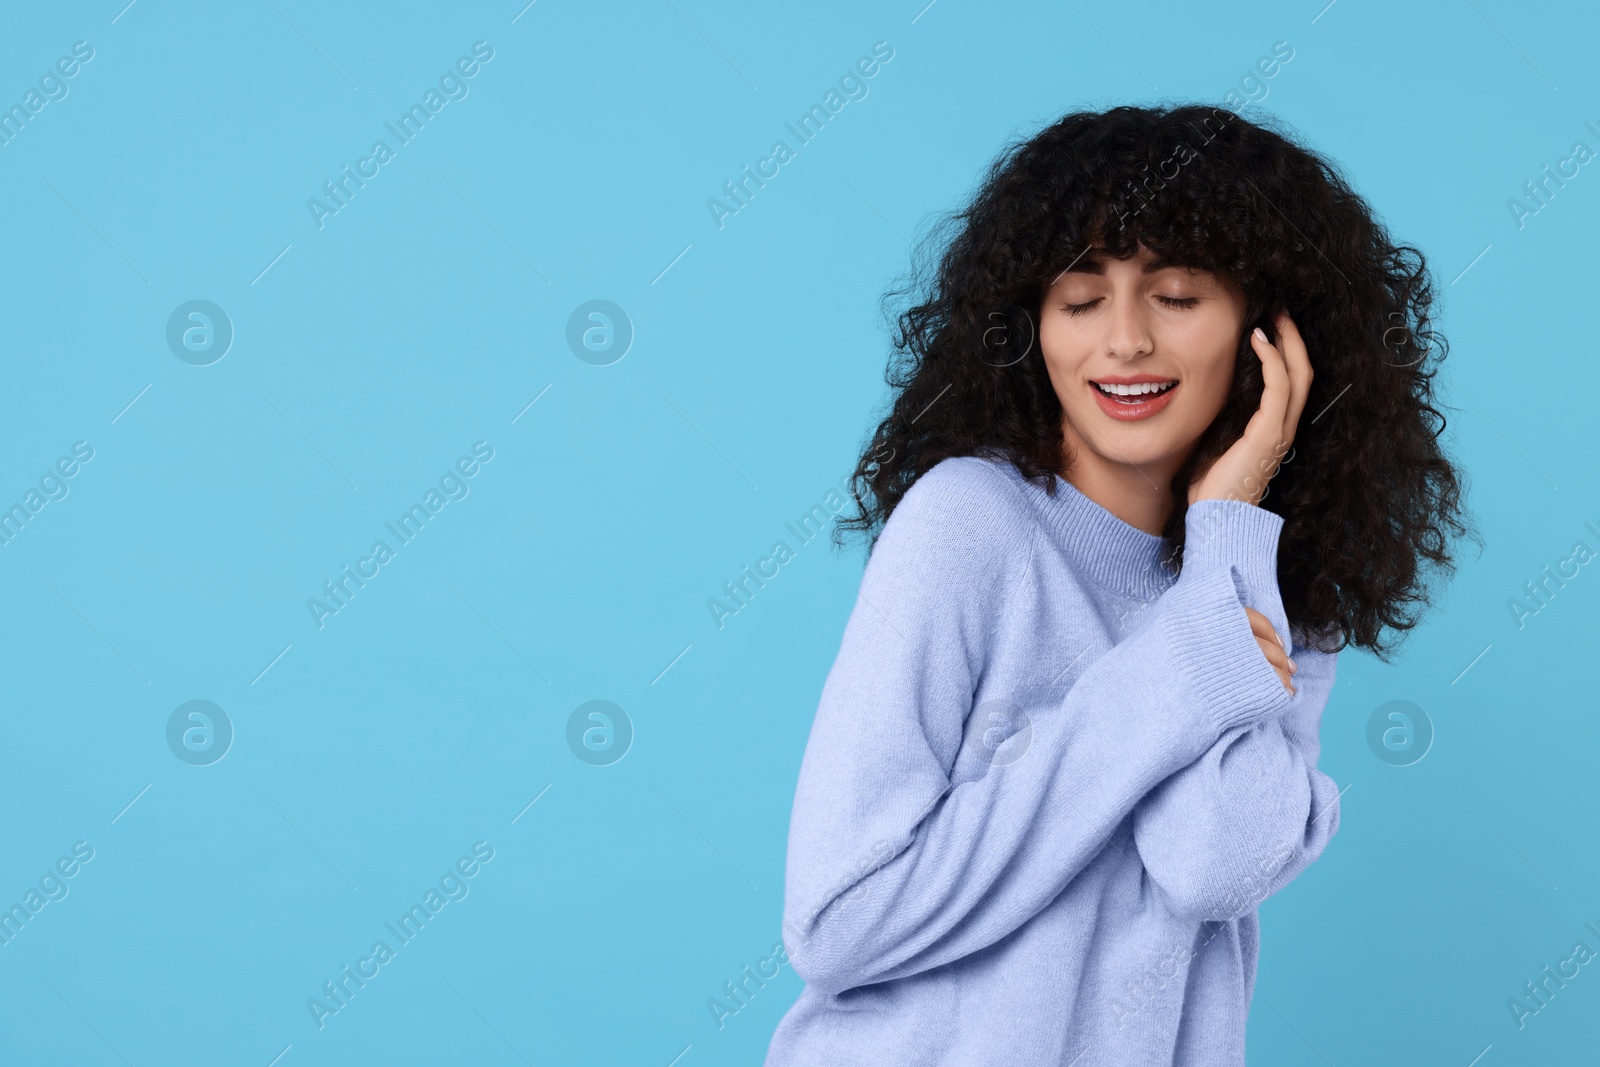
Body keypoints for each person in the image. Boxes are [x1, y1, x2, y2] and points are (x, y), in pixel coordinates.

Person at [764, 103, 1471, 1066]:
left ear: (1268, 332)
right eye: (1081, 299)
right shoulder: (969, 523)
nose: (1125, 342)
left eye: (1177, 296)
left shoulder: (1279, 592)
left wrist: (1227, 532)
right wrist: (1186, 668)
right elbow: (838, 920)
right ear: (1032, 325)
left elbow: (1209, 865)